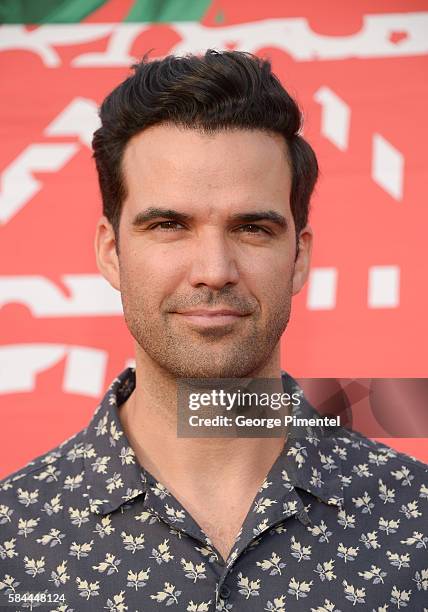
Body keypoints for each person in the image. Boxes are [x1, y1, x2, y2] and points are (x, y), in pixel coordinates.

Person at [0, 50, 426, 612]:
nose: (213, 271)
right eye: (168, 226)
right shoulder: (15, 534)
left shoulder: (414, 515)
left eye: (252, 228)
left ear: (299, 257)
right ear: (110, 251)